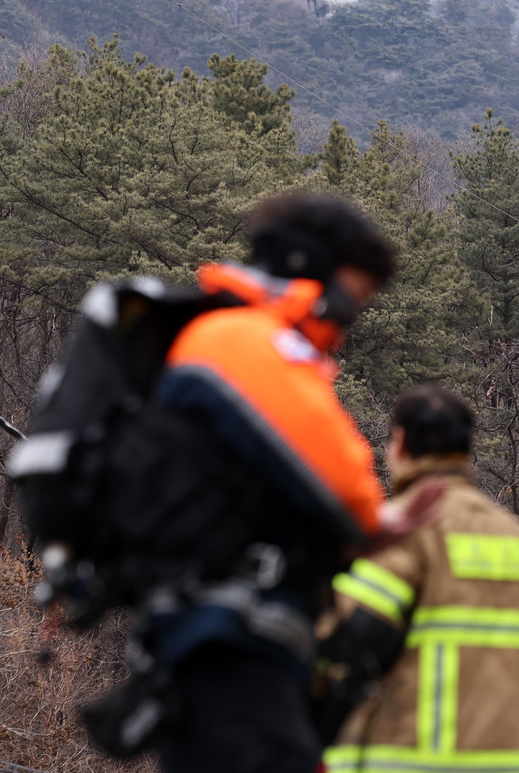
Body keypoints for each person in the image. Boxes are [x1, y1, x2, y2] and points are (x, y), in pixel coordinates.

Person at [143, 193, 404, 773]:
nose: (347, 319)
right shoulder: (244, 340)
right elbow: (348, 490)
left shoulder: (237, 339)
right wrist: (379, 523)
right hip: (228, 634)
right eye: (351, 297)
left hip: (235, 630)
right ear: (307, 270)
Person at [318, 384, 519, 773]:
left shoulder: (404, 529)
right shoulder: (513, 536)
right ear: (465, 450)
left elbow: (351, 636)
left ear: (399, 443)